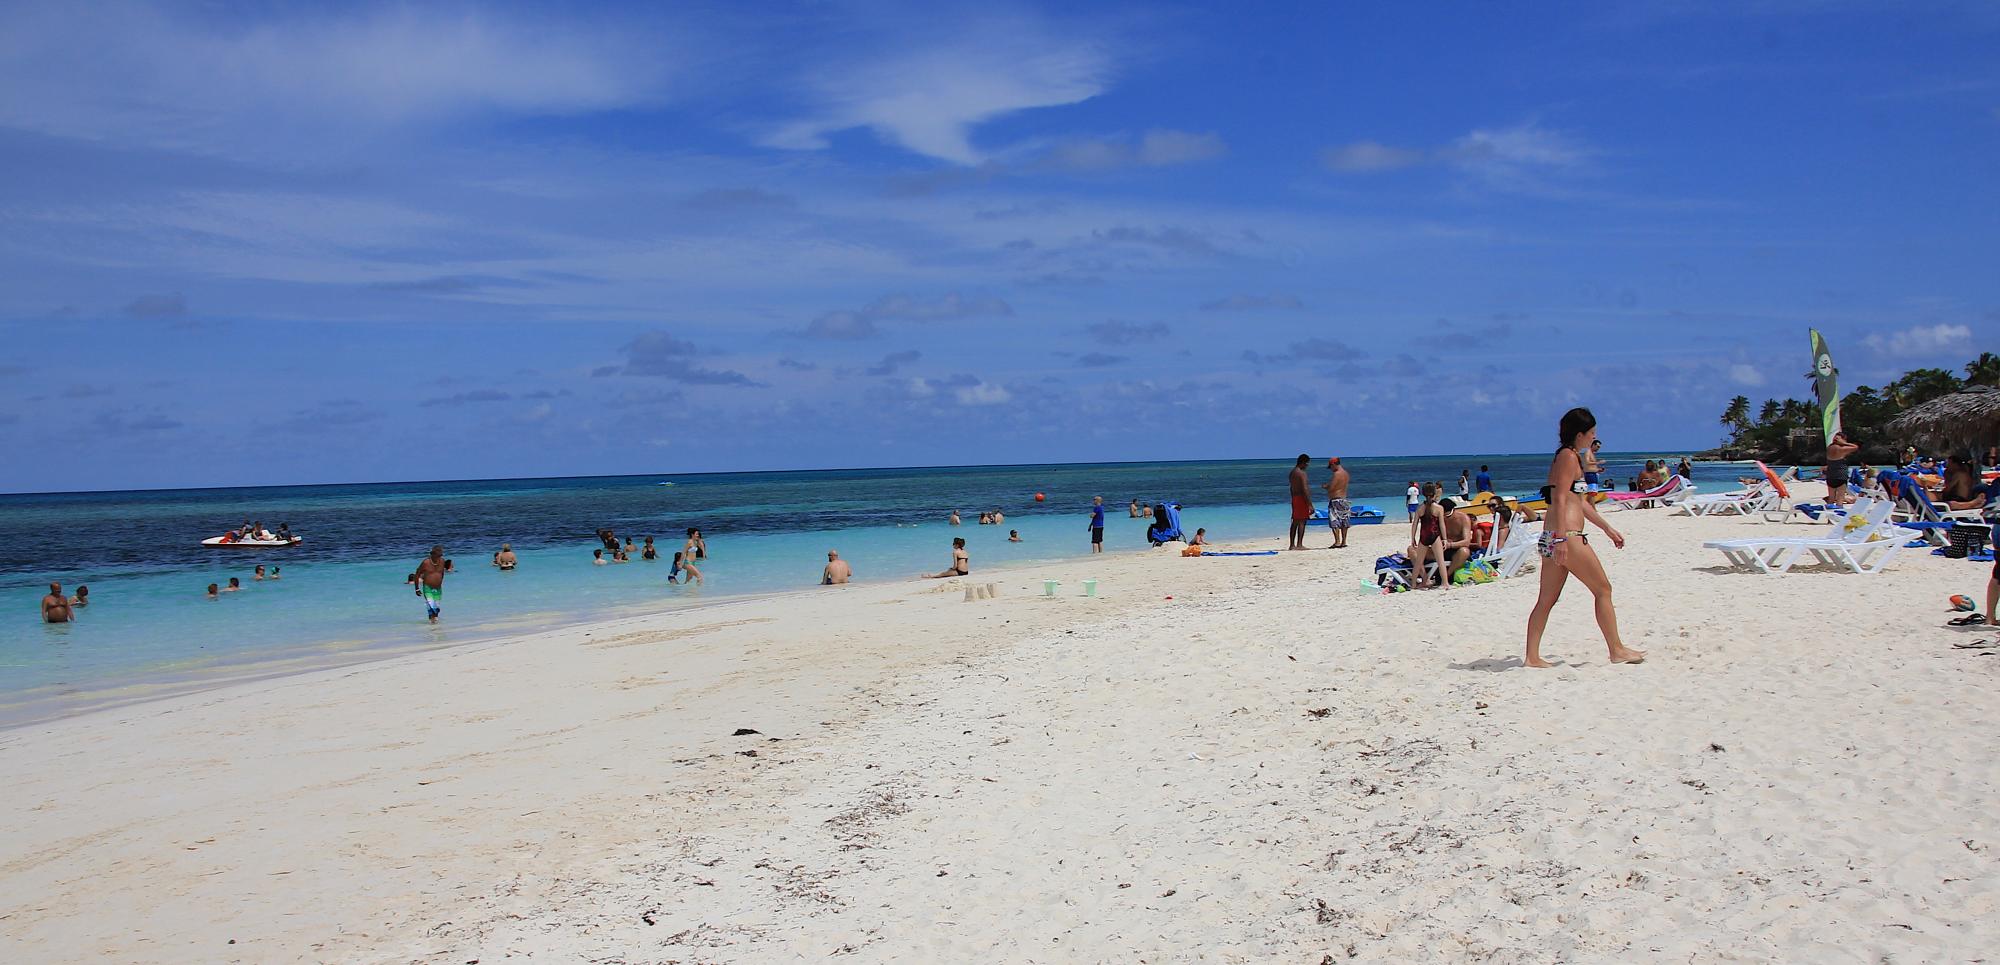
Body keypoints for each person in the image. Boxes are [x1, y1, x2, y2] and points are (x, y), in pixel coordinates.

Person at [1524, 408, 1644, 668]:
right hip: (1566, 536)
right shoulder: (1568, 457)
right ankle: (1616, 649)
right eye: (1591, 433)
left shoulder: (1566, 456)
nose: (1594, 437)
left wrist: (1607, 528)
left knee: (1546, 600)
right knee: (1603, 589)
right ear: (1580, 434)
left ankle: (1532, 657)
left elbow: (1579, 503)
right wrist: (1561, 540)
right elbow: (1558, 499)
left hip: (1554, 536)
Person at [1406, 485, 1446, 590]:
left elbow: (1414, 524)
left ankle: (1413, 584)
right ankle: (1445, 583)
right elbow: (1441, 525)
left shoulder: (1420, 508)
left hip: (1424, 536)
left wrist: (1413, 538)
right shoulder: (1439, 508)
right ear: (1434, 493)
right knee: (1440, 561)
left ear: (1423, 494)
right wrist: (1445, 539)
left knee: (1418, 563)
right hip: (1435, 536)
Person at [1439, 498, 1478, 582]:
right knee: (1413, 550)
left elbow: (1466, 542)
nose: (1444, 517)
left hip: (1456, 549)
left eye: (1447, 515)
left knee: (1464, 551)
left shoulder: (1463, 518)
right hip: (1441, 549)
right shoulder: (1438, 518)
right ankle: (1425, 577)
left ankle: (1446, 576)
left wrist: (1450, 545)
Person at [413, 545, 447, 624]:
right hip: (428, 587)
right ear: (432, 554)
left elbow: (442, 573)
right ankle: (431, 624)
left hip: (438, 588)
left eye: (440, 555)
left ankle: (435, 626)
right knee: (431, 607)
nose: (439, 557)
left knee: (437, 608)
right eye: (438, 555)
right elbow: (417, 574)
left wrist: (440, 582)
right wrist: (417, 588)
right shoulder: (426, 562)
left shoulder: (442, 561)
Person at [1825, 430, 1860, 505]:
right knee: (1840, 499)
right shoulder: (1841, 449)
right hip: (1840, 475)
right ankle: (1839, 509)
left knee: (1831, 499)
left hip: (1830, 475)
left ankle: (1829, 511)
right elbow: (1856, 447)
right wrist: (1844, 443)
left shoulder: (1829, 448)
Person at [1324, 457, 1352, 548]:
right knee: (1344, 521)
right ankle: (1344, 541)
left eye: (1331, 467)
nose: (1331, 469)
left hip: (1335, 500)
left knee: (1334, 520)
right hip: (1344, 499)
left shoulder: (1337, 474)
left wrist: (1326, 486)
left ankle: (1337, 542)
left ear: (1333, 464)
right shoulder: (1346, 473)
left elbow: (1332, 488)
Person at [1288, 454, 1312, 551]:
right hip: (1301, 498)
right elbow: (1304, 489)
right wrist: (1310, 504)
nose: (1307, 465)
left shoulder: (1292, 473)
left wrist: (1293, 498)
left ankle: (1292, 545)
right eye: (1307, 463)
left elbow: (1291, 488)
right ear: (1303, 463)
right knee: (1302, 521)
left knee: (1295, 521)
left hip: (1294, 497)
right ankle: (1299, 544)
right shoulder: (1302, 473)